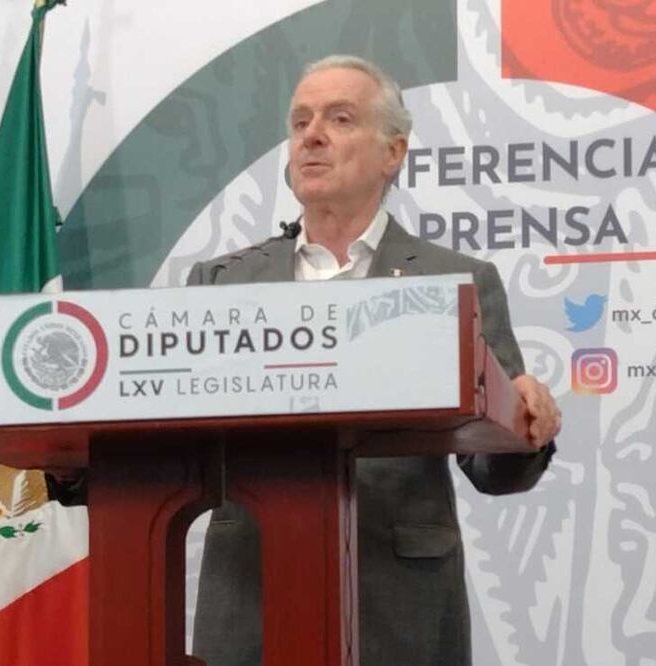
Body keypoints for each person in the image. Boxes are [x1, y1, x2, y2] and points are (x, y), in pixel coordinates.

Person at [184, 55, 561, 666]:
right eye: (300, 120)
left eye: (340, 118)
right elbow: (174, 444)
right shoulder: (221, 285)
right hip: (250, 593)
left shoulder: (457, 280)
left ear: (393, 153)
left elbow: (497, 471)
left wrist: (529, 426)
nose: (311, 135)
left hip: (398, 603)